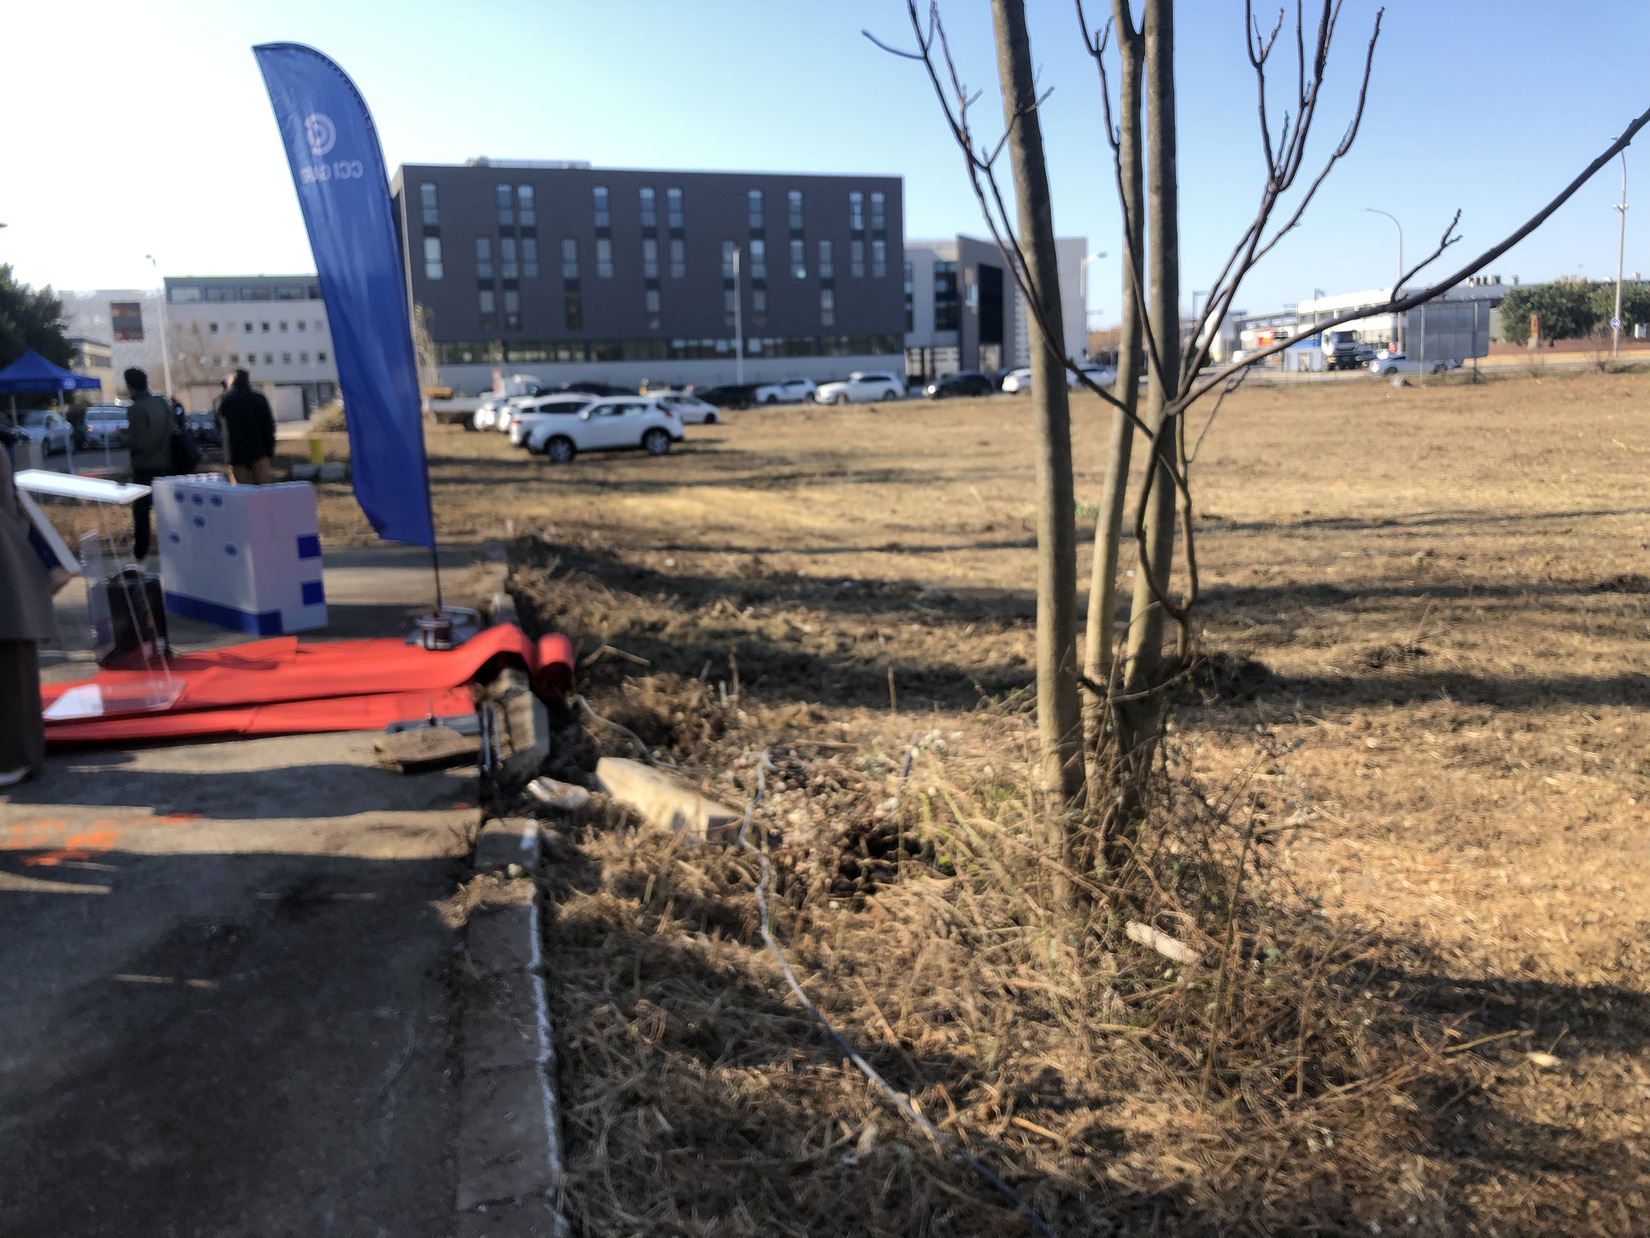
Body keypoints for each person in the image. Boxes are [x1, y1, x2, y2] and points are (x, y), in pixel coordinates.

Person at [0, 433, 58, 785]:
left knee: (9, 667)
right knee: (15, 664)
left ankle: (13, 759)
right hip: (10, 556)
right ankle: (23, 755)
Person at [124, 367, 174, 562]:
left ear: (130, 386)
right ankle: (171, 547)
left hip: (145, 468)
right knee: (167, 511)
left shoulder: (136, 409)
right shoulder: (160, 402)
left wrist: (122, 438)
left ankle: (140, 552)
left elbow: (140, 442)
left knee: (141, 513)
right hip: (167, 464)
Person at [218, 369, 276, 485]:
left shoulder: (222, 400)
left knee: (241, 493)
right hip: (259, 451)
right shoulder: (259, 398)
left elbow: (217, 423)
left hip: (235, 453)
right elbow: (269, 427)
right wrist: (269, 452)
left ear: (232, 380)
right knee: (262, 490)